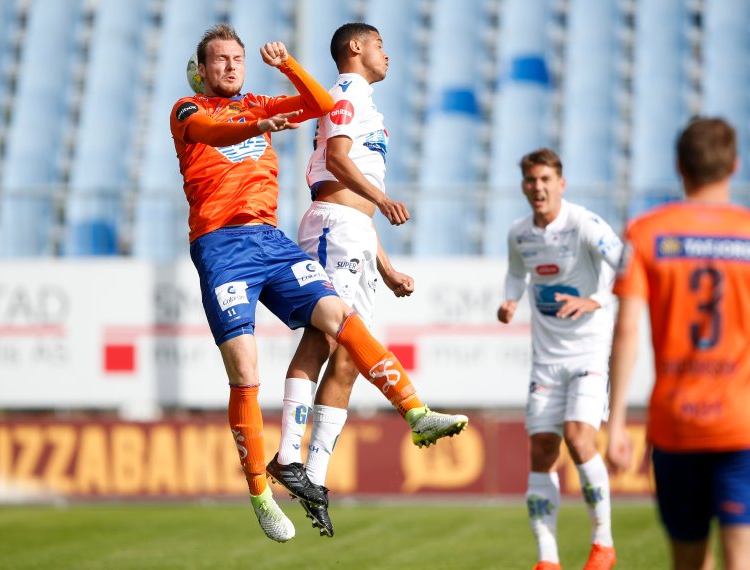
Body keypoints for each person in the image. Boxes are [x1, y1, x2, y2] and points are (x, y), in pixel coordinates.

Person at [171, 23, 465, 543]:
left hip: (269, 238)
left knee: (337, 319)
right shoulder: (188, 110)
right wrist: (255, 124)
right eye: (220, 60)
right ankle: (260, 492)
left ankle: (415, 411)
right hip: (220, 245)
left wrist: (287, 65)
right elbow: (213, 135)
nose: (232, 67)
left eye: (237, 58)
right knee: (244, 368)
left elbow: (321, 100)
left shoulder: (260, 101)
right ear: (203, 69)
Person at [265, 22, 469, 538]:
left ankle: (312, 475)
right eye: (381, 43)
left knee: (350, 357)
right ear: (356, 48)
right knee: (326, 332)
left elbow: (351, 191)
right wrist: (381, 199)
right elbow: (335, 162)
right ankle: (290, 455)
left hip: (353, 231)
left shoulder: (365, 102)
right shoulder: (349, 91)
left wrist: (386, 266)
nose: (387, 53)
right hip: (335, 227)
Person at [607, 117, 750, 570]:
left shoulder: (647, 232)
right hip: (741, 423)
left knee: (687, 562)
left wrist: (614, 426)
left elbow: (627, 330)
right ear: (734, 166)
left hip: (675, 423)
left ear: (679, 167)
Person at [496, 148, 622, 570]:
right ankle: (548, 560)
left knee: (578, 435)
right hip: (546, 362)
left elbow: (627, 262)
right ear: (523, 186)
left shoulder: (583, 223)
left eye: (546, 179)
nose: (539, 187)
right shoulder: (519, 233)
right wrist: (510, 300)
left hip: (588, 353)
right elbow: (517, 270)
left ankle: (602, 544)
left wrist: (596, 300)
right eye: (532, 180)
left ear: (561, 184)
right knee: (542, 450)